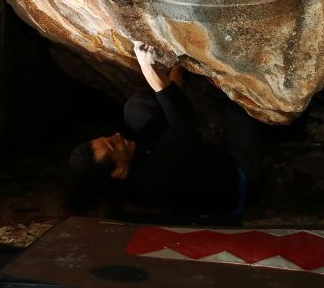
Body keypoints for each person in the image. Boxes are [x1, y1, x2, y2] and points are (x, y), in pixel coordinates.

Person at [68, 41, 265, 219]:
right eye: (112, 145)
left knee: (137, 108)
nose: (117, 136)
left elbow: (162, 120)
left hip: (202, 163)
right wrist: (150, 71)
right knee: (238, 100)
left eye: (108, 138)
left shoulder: (132, 159)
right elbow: (184, 124)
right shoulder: (150, 180)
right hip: (241, 177)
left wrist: (175, 72)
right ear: (118, 171)